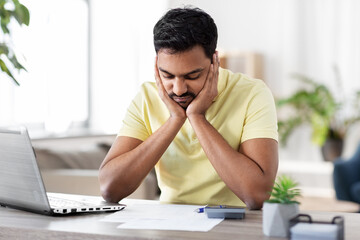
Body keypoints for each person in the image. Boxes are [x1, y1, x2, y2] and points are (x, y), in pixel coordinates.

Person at [99, 6, 278, 210]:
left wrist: (197, 117)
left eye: (192, 76)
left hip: (235, 223)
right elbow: (109, 189)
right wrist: (175, 120)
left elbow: (257, 195)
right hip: (170, 223)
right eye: (167, 75)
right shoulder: (147, 98)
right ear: (157, 63)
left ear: (214, 62)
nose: (179, 89)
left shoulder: (252, 93)